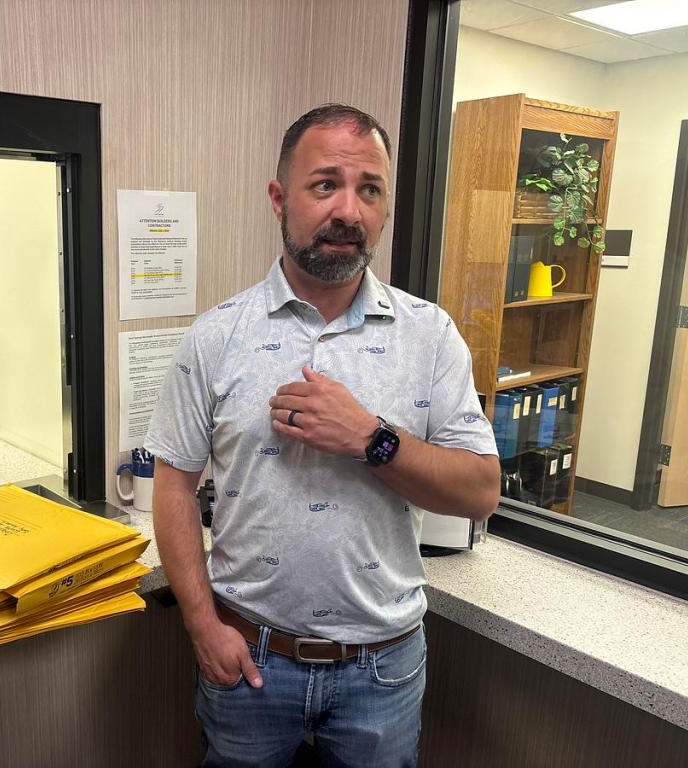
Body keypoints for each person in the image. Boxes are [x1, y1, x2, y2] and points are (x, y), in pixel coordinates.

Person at [144, 104, 500, 767]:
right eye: (325, 184)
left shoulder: (430, 336)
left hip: (382, 672)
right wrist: (201, 625)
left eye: (369, 189)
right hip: (249, 657)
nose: (349, 210)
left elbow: (481, 492)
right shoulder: (218, 335)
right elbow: (174, 485)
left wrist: (372, 438)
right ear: (280, 198)